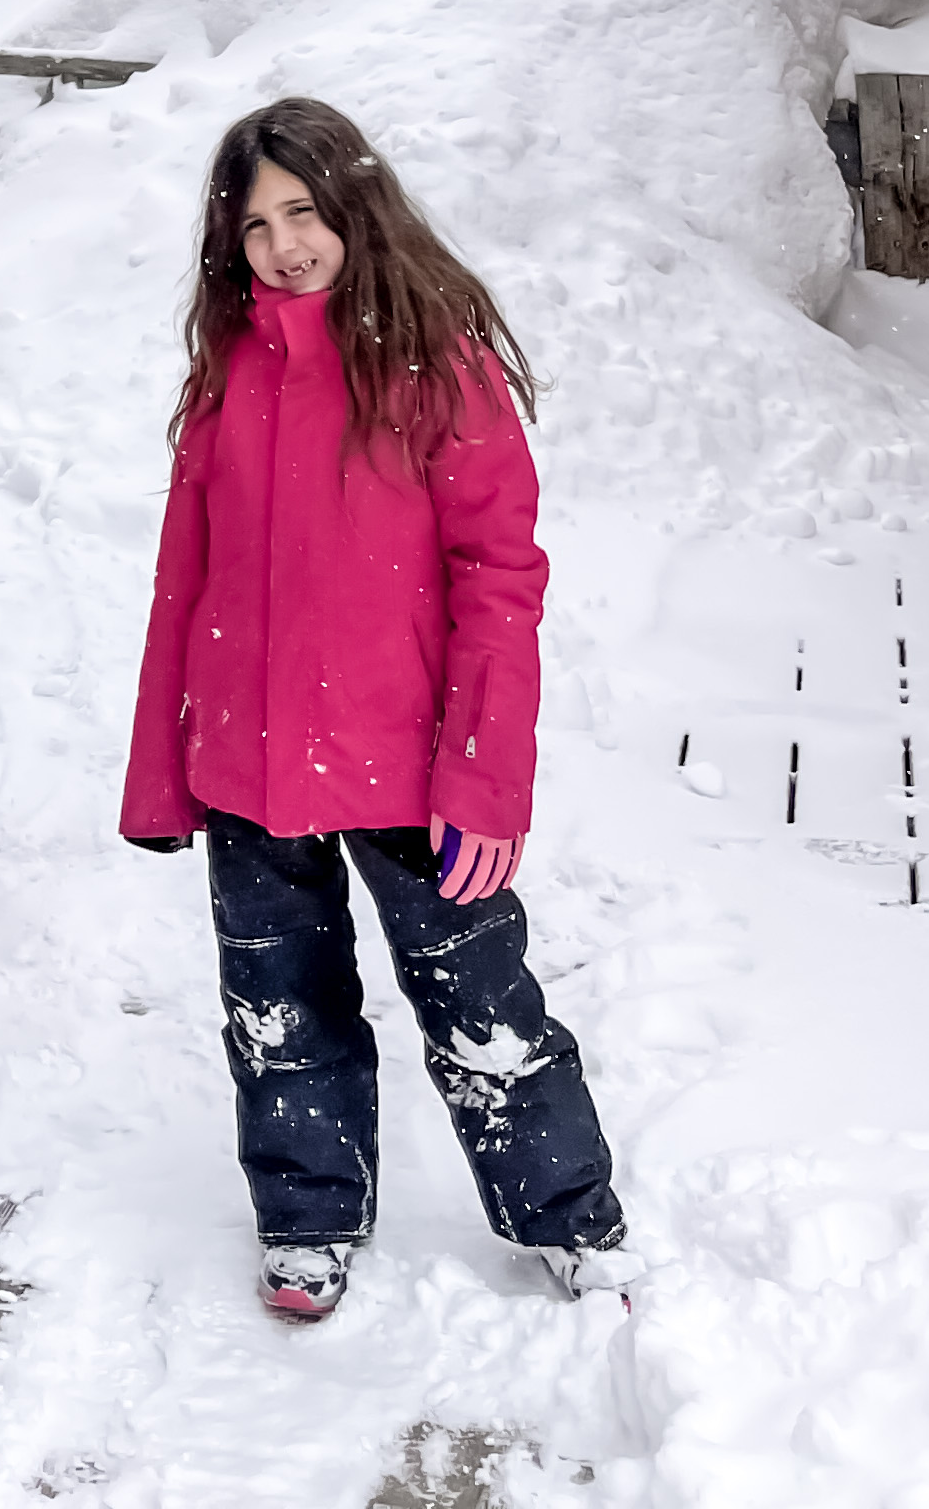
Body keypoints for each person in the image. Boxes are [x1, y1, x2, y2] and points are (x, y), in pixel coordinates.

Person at [121, 97, 628, 1323]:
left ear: (355, 205)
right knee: (279, 1009)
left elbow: (500, 581)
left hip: (408, 764)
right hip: (248, 762)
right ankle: (306, 1214)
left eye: (302, 212)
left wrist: (486, 776)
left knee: (480, 1004)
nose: (283, 244)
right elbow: (183, 581)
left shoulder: (433, 362)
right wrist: (162, 766)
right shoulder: (228, 375)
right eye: (255, 226)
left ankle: (569, 1213)